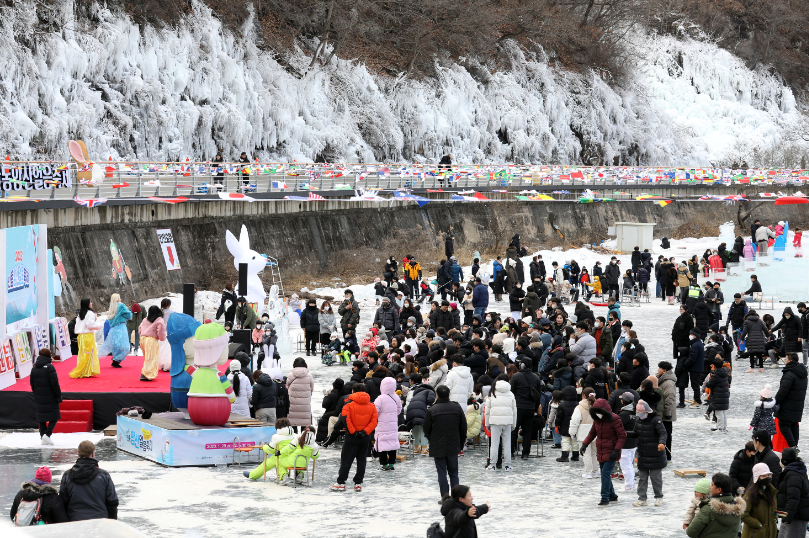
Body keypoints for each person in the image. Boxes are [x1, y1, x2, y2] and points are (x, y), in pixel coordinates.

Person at [330, 384, 378, 492]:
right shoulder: (372, 405)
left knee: (346, 460)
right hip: (365, 438)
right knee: (362, 461)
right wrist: (365, 432)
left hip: (351, 438)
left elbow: (346, 420)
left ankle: (341, 482)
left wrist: (354, 432)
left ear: (353, 391)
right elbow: (374, 421)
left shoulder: (348, 405)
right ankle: (358, 483)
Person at [424, 385, 467, 502]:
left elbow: (426, 429)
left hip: (438, 445)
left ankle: (445, 497)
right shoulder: (457, 408)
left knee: (441, 472)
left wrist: (431, 440)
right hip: (453, 444)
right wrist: (461, 443)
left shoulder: (432, 410)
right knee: (454, 472)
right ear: (449, 394)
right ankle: (457, 497)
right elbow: (463, 428)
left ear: (437, 395)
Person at [580, 398, 627, 506]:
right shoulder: (597, 419)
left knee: (605, 474)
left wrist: (616, 450)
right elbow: (592, 433)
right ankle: (612, 495)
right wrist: (585, 444)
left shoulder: (615, 419)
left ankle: (604, 497)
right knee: (604, 474)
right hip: (601, 451)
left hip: (611, 451)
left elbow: (622, 436)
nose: (597, 414)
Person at [59, 441, 118, 521]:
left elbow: (62, 502)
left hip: (75, 521)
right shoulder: (103, 475)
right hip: (100, 521)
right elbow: (112, 502)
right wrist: (112, 522)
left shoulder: (67, 476)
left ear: (78, 454)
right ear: (93, 454)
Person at [686, 473, 745, 538]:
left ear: (719, 490)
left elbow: (691, 532)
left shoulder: (708, 509)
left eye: (712, 485)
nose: (710, 487)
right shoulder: (738, 509)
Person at [632, 400, 667, 507]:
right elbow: (635, 433)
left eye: (641, 412)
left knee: (655, 477)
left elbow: (663, 433)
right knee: (642, 477)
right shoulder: (638, 420)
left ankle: (659, 497)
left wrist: (661, 443)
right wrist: (625, 434)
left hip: (655, 454)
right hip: (643, 453)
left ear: (647, 411)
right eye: (637, 411)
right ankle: (642, 498)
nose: (638, 414)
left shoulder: (656, 420)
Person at [774, 352, 808, 448]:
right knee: (794, 425)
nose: (785, 361)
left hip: (788, 404)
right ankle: (795, 446)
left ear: (790, 360)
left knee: (784, 425)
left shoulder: (790, 373)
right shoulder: (802, 373)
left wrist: (775, 401)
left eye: (786, 359)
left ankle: (793, 446)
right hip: (798, 404)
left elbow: (783, 390)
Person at [484, 375, 517, 471]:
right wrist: (514, 424)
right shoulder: (510, 394)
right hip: (507, 422)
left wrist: (487, 424)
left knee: (494, 444)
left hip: (494, 422)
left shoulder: (492, 393)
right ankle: (508, 465)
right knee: (507, 444)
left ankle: (492, 465)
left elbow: (487, 410)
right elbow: (514, 410)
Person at [29, 349, 61, 446]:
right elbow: (55, 383)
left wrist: (36, 394)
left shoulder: (34, 368)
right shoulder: (50, 367)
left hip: (39, 396)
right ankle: (47, 434)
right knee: (55, 416)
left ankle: (43, 437)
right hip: (50, 396)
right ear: (49, 355)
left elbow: (32, 384)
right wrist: (58, 396)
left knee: (42, 418)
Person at [776, 447, 809, 537]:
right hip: (791, 516)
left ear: (785, 460)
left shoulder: (793, 474)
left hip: (796, 518)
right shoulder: (794, 471)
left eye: (781, 457)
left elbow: (793, 498)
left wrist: (787, 516)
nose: (780, 459)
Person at [740, 463, 778, 538]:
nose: (767, 478)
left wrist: (775, 519)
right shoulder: (750, 494)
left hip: (770, 533)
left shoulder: (772, 492)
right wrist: (758, 524)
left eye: (768, 475)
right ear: (757, 477)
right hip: (754, 534)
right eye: (764, 476)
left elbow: (773, 509)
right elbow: (743, 515)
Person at [69, 299, 103, 378]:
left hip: (81, 336)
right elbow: (90, 325)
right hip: (87, 336)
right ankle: (84, 371)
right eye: (91, 302)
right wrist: (100, 325)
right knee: (88, 353)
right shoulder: (90, 313)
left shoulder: (80, 313)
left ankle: (85, 370)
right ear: (88, 304)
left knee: (82, 353)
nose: (92, 303)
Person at [374, 377, 402, 471]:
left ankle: (384, 464)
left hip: (382, 425)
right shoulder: (396, 397)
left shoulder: (380, 398)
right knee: (392, 444)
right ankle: (392, 464)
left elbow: (375, 412)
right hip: (393, 425)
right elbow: (399, 410)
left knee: (383, 444)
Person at [97, 294, 132, 368]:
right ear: (118, 299)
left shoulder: (111, 307)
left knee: (116, 345)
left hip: (113, 328)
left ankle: (115, 360)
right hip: (121, 327)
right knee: (126, 346)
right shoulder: (121, 306)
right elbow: (129, 316)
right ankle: (116, 360)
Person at [570, 388, 598, 479]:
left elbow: (575, 421)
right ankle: (595, 471)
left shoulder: (579, 407)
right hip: (595, 432)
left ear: (583, 395)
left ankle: (588, 472)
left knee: (586, 453)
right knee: (594, 453)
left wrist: (572, 433)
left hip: (583, 433)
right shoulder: (597, 406)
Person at [137, 305, 166, 382]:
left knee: (147, 357)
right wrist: (162, 338)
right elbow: (161, 331)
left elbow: (140, 328)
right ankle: (146, 374)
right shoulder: (159, 320)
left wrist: (142, 335)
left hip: (143, 339)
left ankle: (146, 373)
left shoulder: (145, 319)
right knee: (151, 358)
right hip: (151, 339)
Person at [617, 393, 638, 491]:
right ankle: (631, 484)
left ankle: (629, 486)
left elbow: (618, 428)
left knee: (626, 466)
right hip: (634, 442)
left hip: (625, 443)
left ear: (623, 401)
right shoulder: (635, 412)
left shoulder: (623, 414)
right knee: (630, 464)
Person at [286, 358, 314, 428]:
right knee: (304, 426)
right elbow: (312, 389)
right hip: (305, 405)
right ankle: (304, 438)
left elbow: (287, 386)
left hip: (293, 404)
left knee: (293, 423)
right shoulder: (309, 376)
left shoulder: (290, 375)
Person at [657, 361, 677, 459]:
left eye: (659, 368)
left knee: (667, 434)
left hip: (666, 414)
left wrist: (668, 413)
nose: (657, 370)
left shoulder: (668, 383)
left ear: (664, 371)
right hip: (663, 413)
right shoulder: (663, 380)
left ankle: (667, 455)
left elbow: (670, 398)